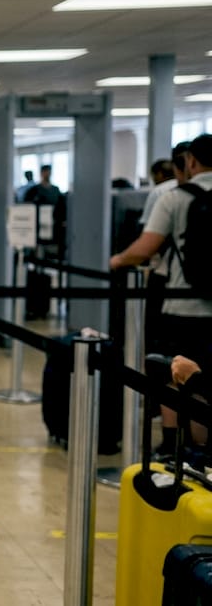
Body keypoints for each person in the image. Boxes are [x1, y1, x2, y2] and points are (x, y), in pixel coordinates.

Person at [111, 134, 212, 458]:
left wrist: (118, 260)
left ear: (191, 161)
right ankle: (203, 451)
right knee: (205, 380)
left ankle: (172, 443)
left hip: (181, 301)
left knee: (173, 374)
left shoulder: (174, 197)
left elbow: (146, 246)